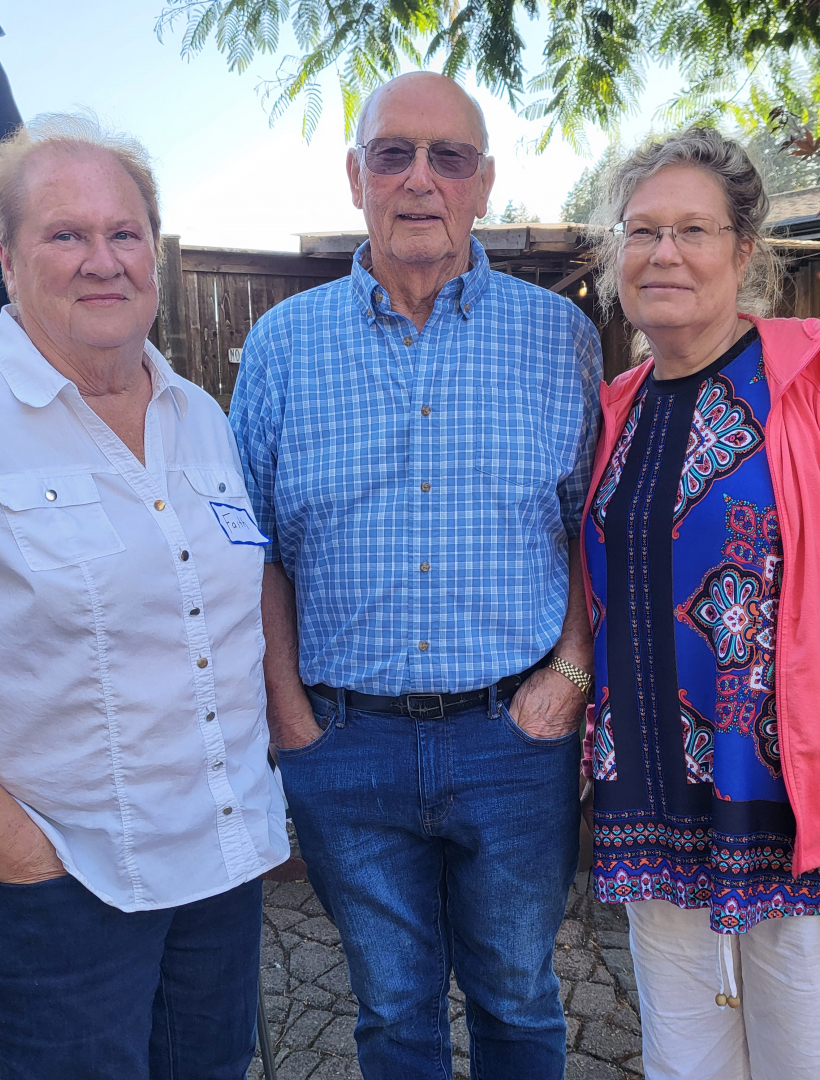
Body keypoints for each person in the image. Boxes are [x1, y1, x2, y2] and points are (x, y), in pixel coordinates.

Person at [0, 113, 288, 1080]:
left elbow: (230, 603)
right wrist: (24, 857)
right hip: (55, 887)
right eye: (66, 235)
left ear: (154, 251)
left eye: (124, 233)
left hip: (216, 864)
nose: (102, 260)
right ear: (8, 256)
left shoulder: (200, 417)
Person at [230, 71, 603, 1078]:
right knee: (392, 1011)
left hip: (514, 740)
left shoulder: (557, 337)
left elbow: (588, 528)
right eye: (391, 153)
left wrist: (566, 678)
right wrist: (285, 717)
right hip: (341, 743)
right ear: (354, 176)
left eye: (447, 157)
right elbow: (250, 545)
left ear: (482, 183)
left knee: (519, 998)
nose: (418, 179)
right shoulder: (278, 349)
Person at [580, 126, 820, 1079]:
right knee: (686, 1061)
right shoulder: (616, 406)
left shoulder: (805, 381)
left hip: (789, 803)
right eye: (643, 231)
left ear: (744, 252)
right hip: (653, 802)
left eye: (694, 230)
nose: (665, 253)